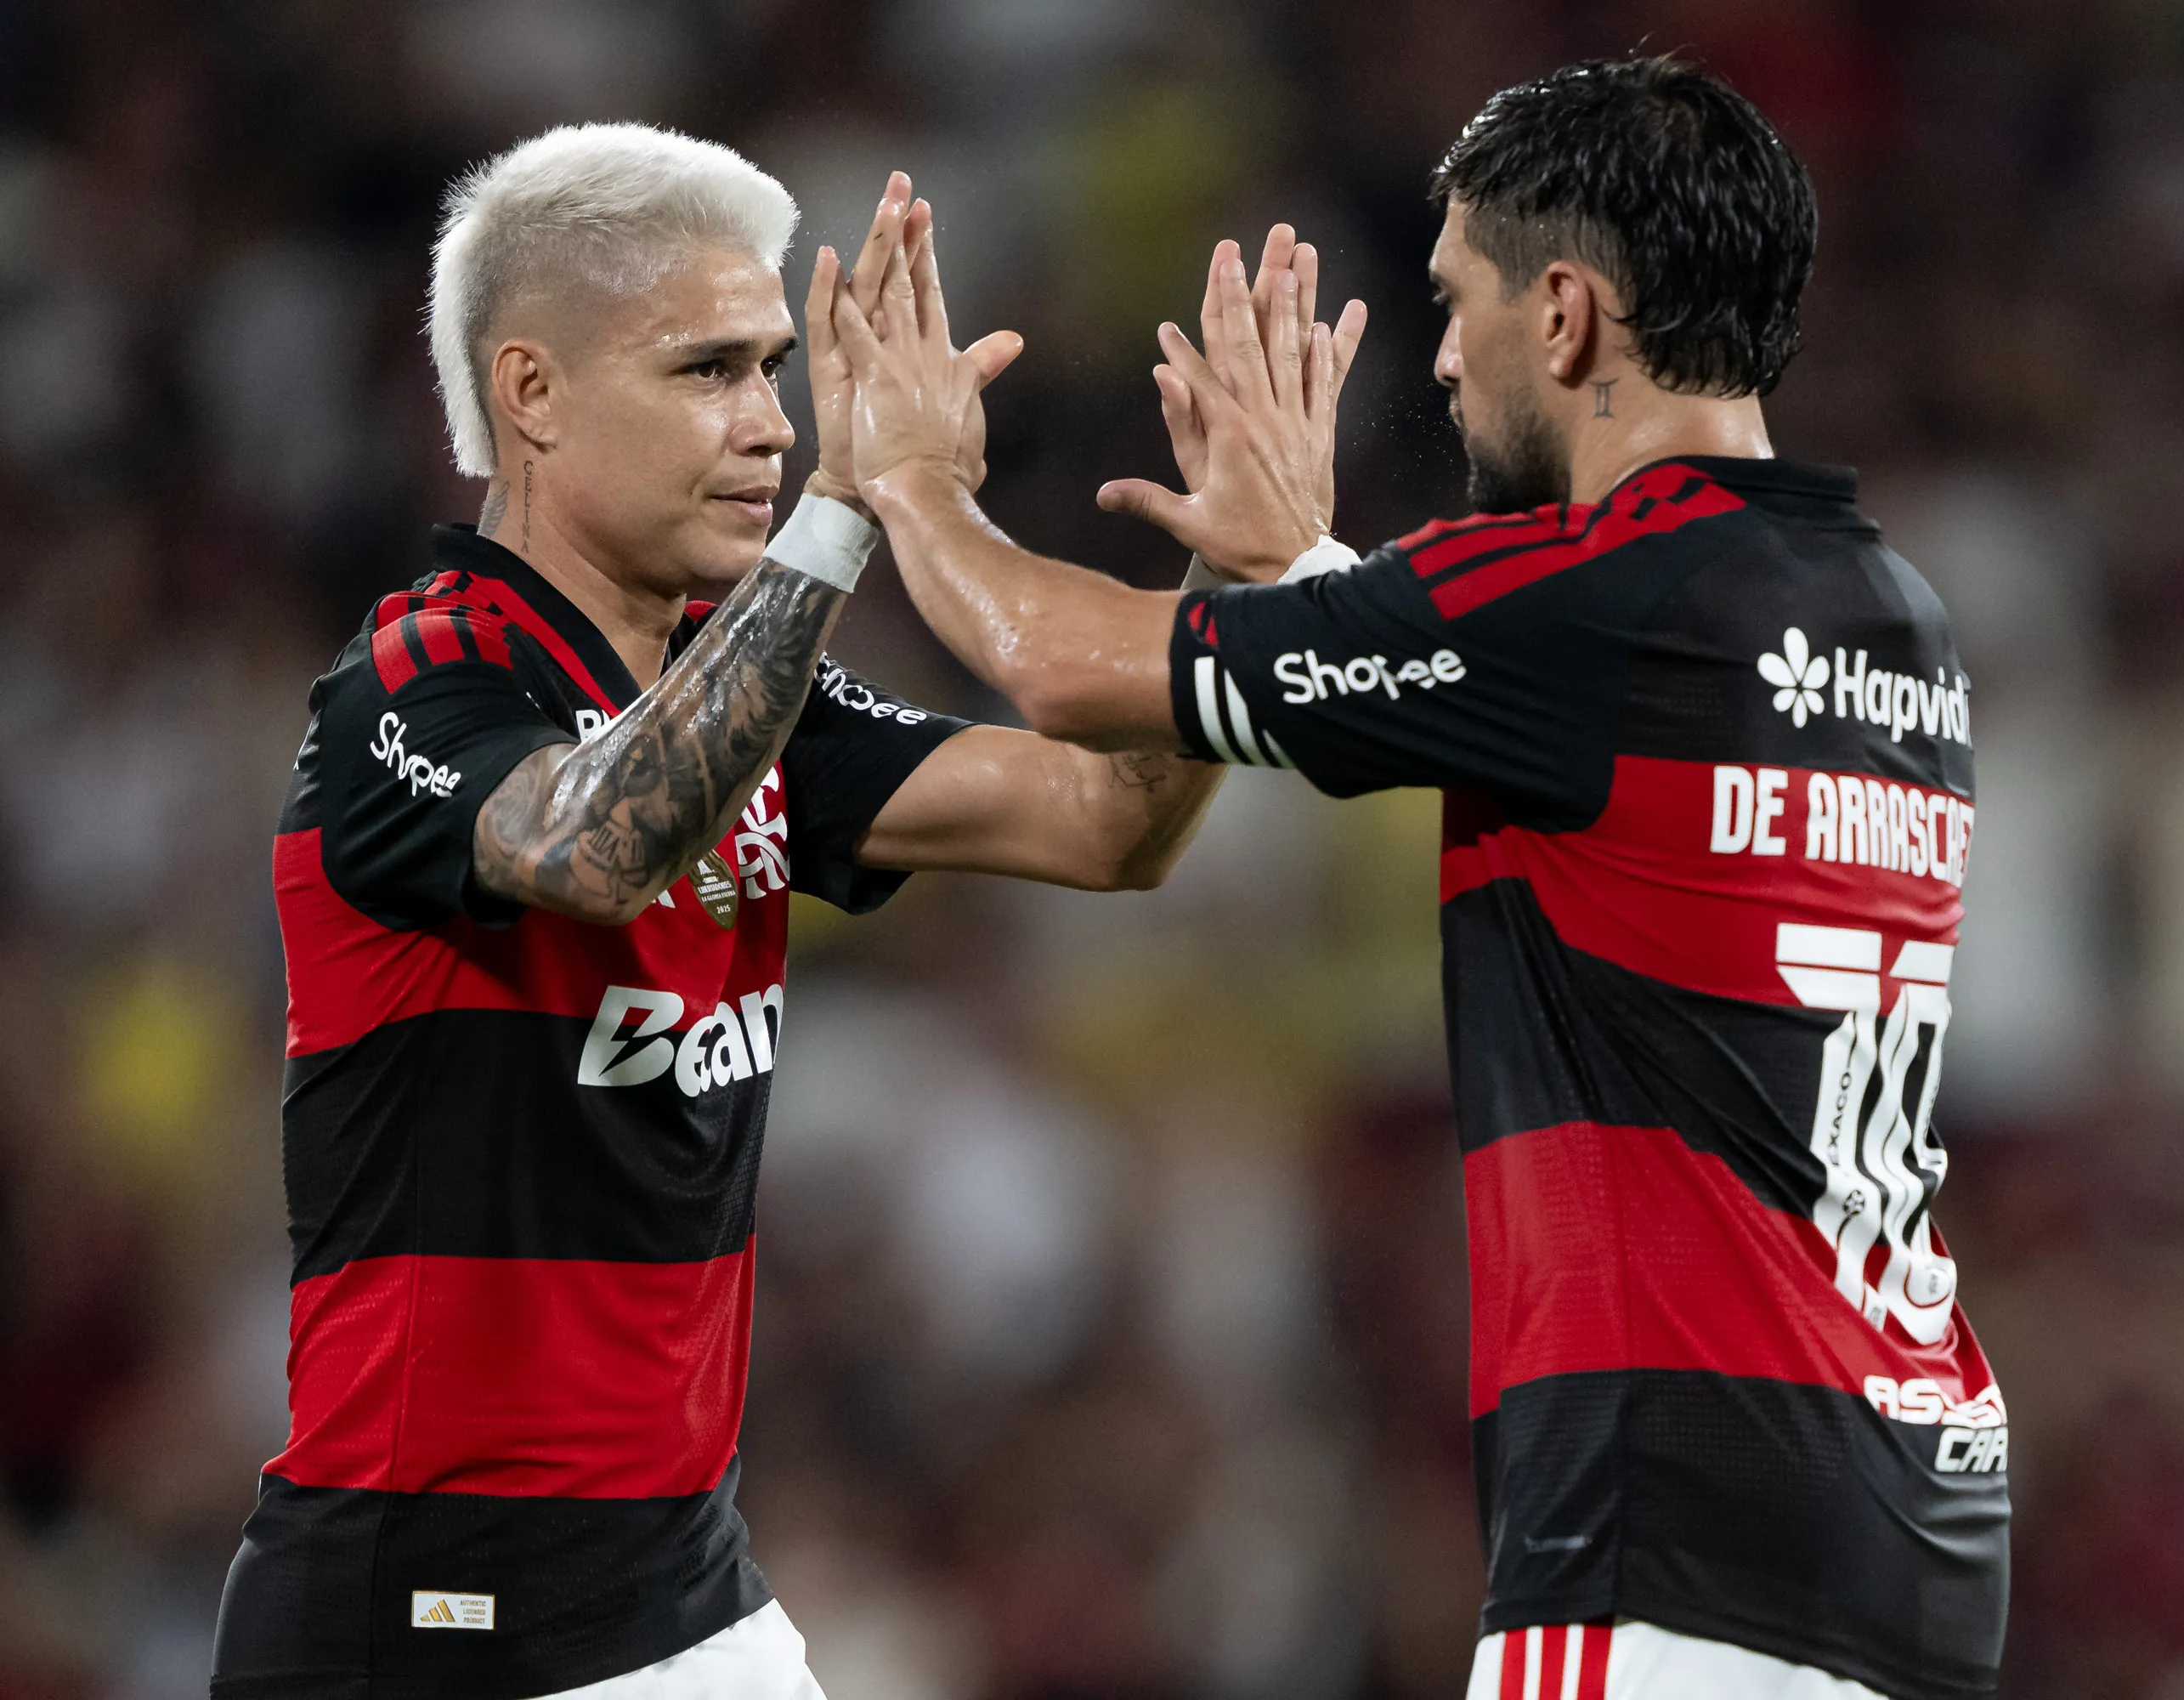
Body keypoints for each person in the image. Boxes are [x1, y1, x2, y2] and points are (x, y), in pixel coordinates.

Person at [833, 56, 2006, 1700]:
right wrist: (1294, 578)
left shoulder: (1593, 596)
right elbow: (1549, 717)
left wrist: (904, 479)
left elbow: (1063, 669)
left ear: (1571, 317)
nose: (1441, 355)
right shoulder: (1893, 619)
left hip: (1678, 1539)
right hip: (1911, 1528)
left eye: (1460, 303)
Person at [210, 123, 1356, 1700]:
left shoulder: (746, 703)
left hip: (683, 1599)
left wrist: (1248, 593)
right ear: (530, 394)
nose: (767, 424)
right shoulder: (410, 686)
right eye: (706, 374)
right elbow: (603, 841)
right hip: (428, 1611)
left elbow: (1103, 827)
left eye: (772, 371)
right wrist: (849, 514)